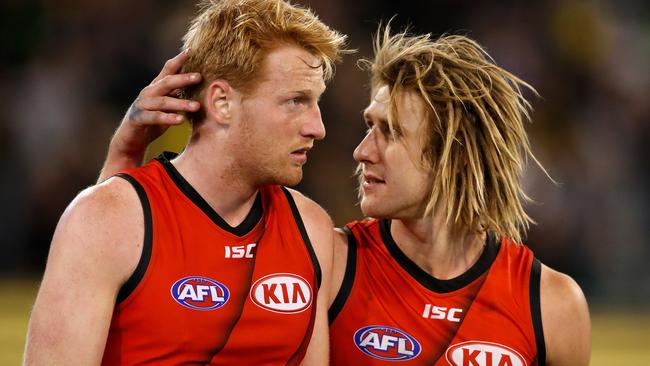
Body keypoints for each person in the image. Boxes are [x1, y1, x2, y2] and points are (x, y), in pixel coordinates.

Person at [89, 26, 591, 366]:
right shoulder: (325, 262)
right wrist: (123, 158)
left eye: (389, 133)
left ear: (451, 156)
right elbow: (147, 282)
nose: (360, 151)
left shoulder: (551, 305)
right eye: (367, 126)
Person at [24, 0, 346, 364]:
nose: (317, 128)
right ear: (222, 102)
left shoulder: (312, 228)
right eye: (295, 101)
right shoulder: (104, 219)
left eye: (316, 102)